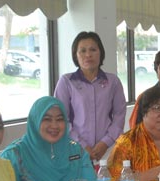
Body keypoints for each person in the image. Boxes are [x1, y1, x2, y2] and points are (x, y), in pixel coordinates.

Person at [0, 96, 97, 181]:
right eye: (47, 119)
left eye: (59, 119)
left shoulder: (76, 150)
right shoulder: (15, 155)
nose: (54, 125)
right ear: (35, 121)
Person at [54, 31, 126, 162]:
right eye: (82, 51)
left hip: (107, 149)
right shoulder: (66, 82)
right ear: (76, 55)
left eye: (93, 49)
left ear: (101, 53)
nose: (88, 55)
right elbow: (61, 119)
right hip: (74, 149)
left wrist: (105, 142)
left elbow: (119, 115)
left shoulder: (113, 81)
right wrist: (82, 145)